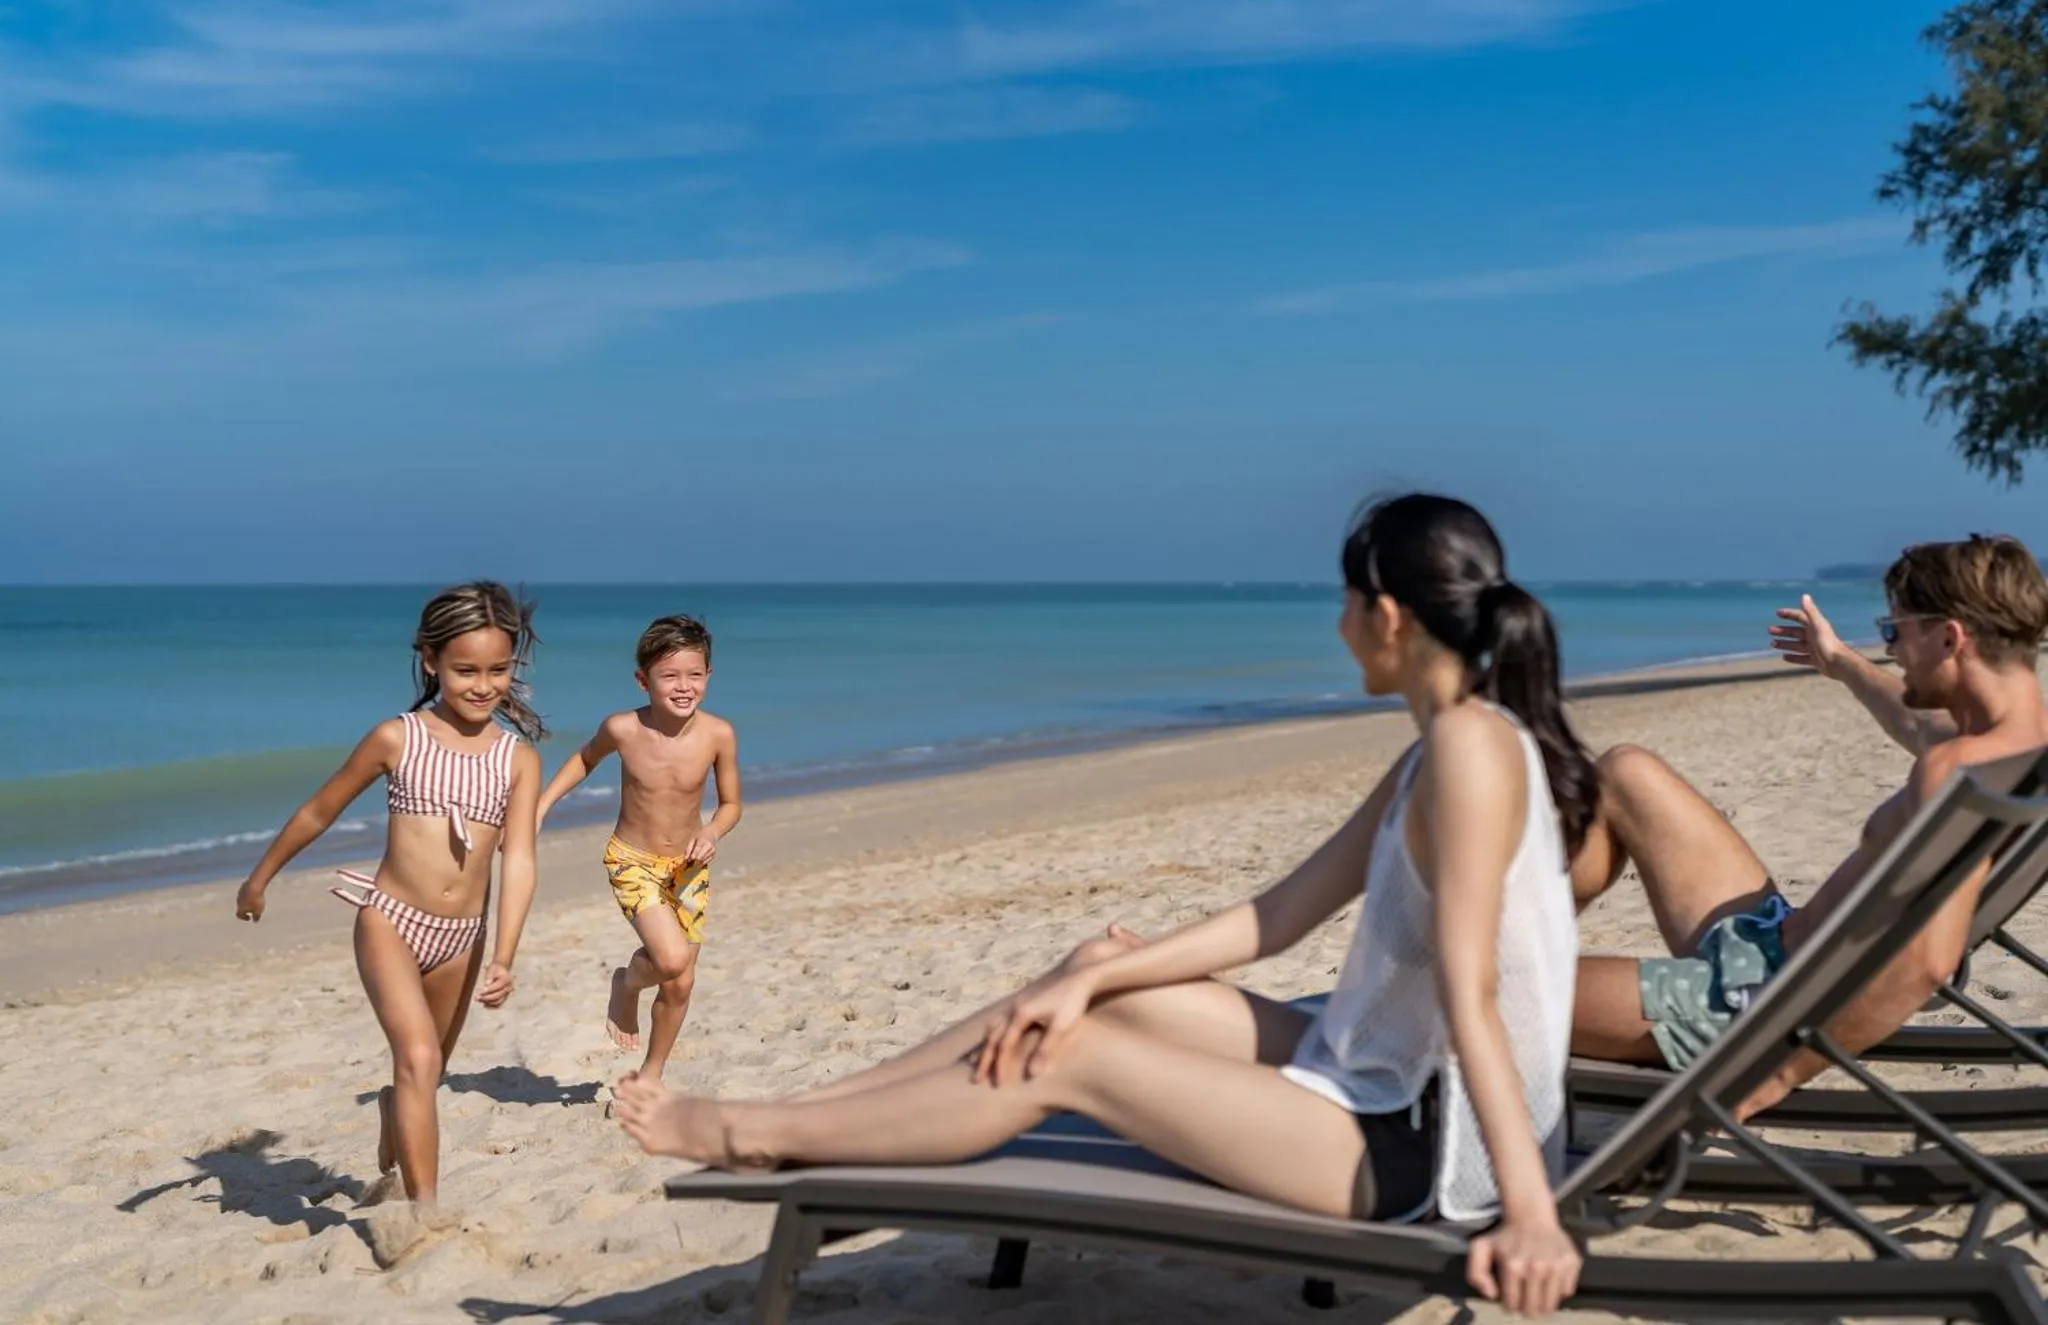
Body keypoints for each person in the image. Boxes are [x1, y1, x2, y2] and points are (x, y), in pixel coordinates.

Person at [614, 494, 1592, 1318]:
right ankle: (806, 1113)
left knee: (1067, 1051)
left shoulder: (1469, 750)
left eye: (1343, 603)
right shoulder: (1445, 746)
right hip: (1371, 1077)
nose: (1336, 625)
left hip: (1411, 1146)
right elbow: (1279, 915)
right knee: (1090, 976)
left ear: (1386, 616)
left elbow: (1471, 989)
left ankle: (751, 1132)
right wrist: (1103, 972)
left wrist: (1529, 1213)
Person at [1570, 535, 2048, 1118]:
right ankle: (1538, 928)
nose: (1890, 650)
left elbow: (1928, 961)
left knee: (1494, 993)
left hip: (1746, 1005)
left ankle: (1522, 949)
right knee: (1625, 770)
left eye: (1895, 631)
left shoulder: (1956, 773)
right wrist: (1839, 661)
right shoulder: (2014, 751)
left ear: (1950, 638)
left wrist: (1774, 1074)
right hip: (1772, 939)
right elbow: (1917, 725)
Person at [234, 581, 545, 1204]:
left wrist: (505, 955)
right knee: (420, 1060)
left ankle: (392, 1108)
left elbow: (519, 861)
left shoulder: (517, 760)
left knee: (425, 1074)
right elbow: (319, 810)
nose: (483, 685)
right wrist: (259, 878)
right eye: (465, 671)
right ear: (430, 661)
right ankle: (422, 1215)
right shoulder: (397, 738)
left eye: (497, 670)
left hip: (462, 939)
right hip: (391, 921)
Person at [537, 614, 741, 1085]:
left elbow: (731, 804)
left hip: (688, 868)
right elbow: (584, 758)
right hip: (632, 860)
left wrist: (712, 832)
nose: (683, 686)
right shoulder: (624, 728)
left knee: (681, 983)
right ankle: (626, 984)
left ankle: (651, 1076)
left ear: (709, 675)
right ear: (643, 680)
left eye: (694, 674)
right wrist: (542, 805)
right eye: (669, 676)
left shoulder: (718, 734)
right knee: (669, 961)